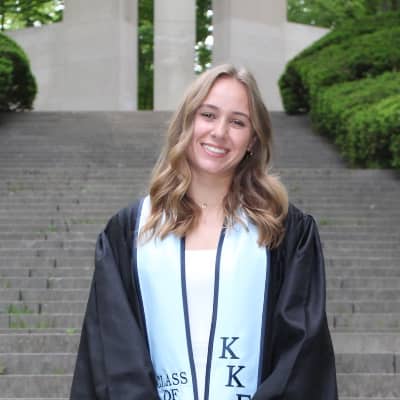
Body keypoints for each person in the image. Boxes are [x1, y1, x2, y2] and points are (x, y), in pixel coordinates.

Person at [70, 64, 338, 400]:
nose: (219, 132)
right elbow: (112, 350)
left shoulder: (285, 232)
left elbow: (301, 357)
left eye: (238, 122)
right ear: (187, 122)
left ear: (253, 139)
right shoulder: (129, 232)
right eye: (208, 115)